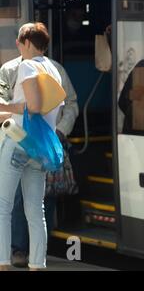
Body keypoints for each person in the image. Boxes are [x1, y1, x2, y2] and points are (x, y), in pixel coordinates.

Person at [0, 52, 79, 268]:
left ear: (23, 42)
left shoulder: (16, 69)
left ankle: (10, 257)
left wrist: (59, 132)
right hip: (44, 146)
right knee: (36, 206)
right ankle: (35, 260)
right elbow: (66, 103)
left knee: (9, 203)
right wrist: (56, 134)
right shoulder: (54, 69)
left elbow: (25, 107)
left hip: (20, 139)